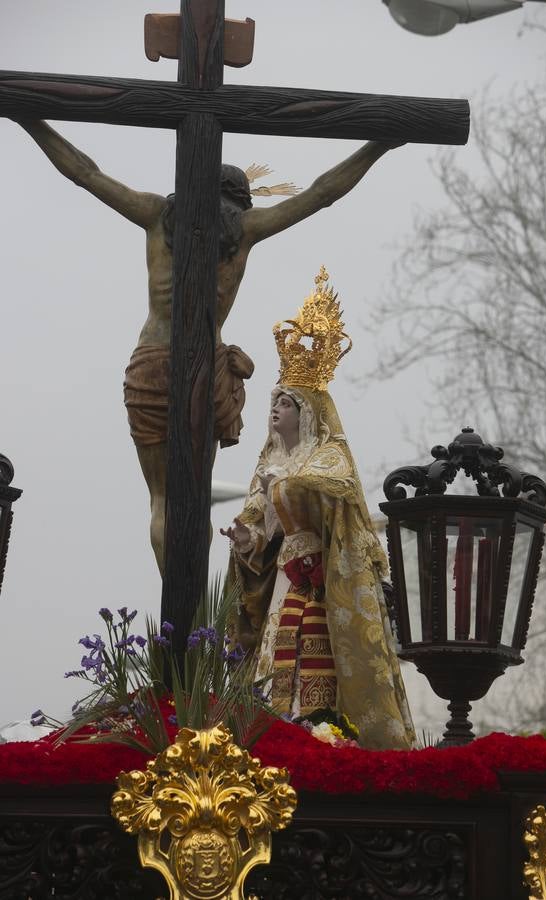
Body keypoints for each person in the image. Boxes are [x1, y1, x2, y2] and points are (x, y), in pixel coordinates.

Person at [15, 120, 403, 573]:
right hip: (205, 369)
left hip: (153, 363)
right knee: (194, 500)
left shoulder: (156, 214)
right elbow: (320, 193)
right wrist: (379, 144)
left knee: (161, 498)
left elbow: (84, 171)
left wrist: (30, 120)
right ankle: (192, 613)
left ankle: (175, 619)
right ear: (240, 201)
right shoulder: (247, 228)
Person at [221, 268, 415, 750]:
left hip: (325, 578)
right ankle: (277, 728)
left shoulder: (325, 454)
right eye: (273, 402)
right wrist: (248, 540)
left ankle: (322, 730)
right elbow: (257, 519)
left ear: (304, 412)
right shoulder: (270, 459)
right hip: (286, 572)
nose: (275, 410)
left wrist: (289, 484)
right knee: (276, 649)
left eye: (284, 403)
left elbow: (337, 489)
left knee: (316, 653)